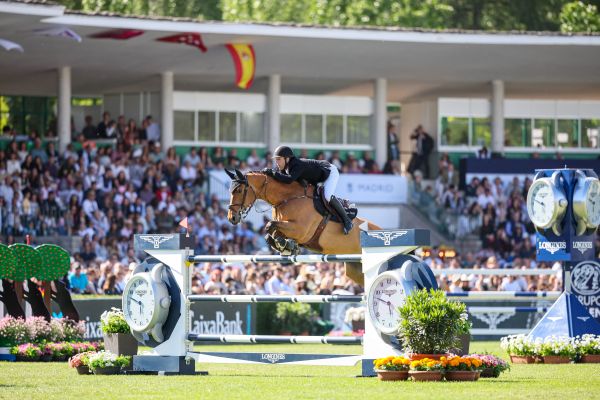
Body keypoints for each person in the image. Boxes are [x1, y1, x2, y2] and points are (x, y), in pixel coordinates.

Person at [262, 145, 353, 234]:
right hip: (317, 178)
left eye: (279, 159)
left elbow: (288, 180)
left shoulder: (296, 165)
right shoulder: (286, 167)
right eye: (276, 160)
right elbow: (281, 180)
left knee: (327, 196)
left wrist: (273, 173)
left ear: (287, 159)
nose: (277, 162)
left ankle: (347, 221)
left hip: (329, 172)